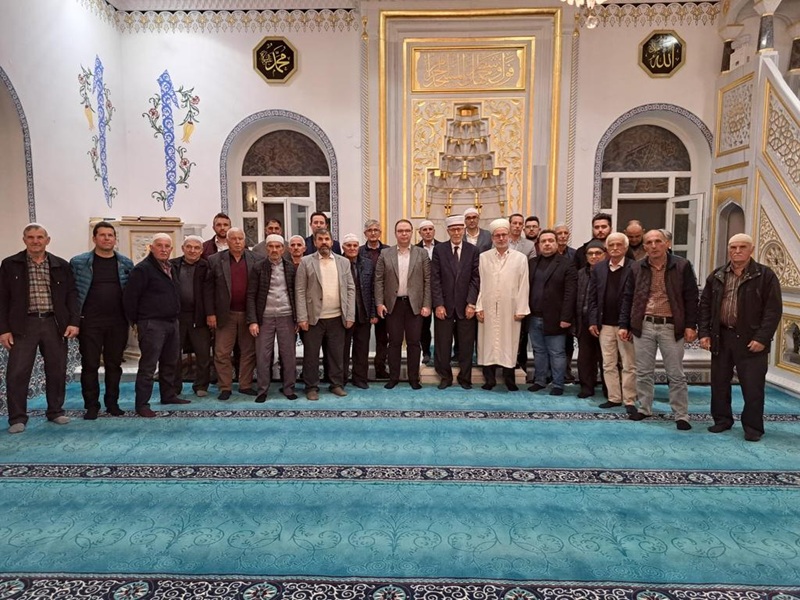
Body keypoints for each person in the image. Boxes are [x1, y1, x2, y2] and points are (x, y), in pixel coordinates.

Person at [698, 234, 782, 441]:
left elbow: (773, 311)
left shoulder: (765, 275)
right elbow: (705, 306)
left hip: (751, 339)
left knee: (752, 387)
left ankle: (753, 428)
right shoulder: (717, 275)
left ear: (751, 250)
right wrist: (705, 333)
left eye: (742, 247)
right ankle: (722, 420)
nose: (737, 251)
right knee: (719, 384)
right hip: (722, 337)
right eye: (733, 247)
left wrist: (762, 338)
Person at [0, 224, 80, 433]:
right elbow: (2, 298)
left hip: (54, 324)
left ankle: (55, 411)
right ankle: (17, 418)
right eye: (31, 237)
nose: (35, 241)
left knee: (57, 370)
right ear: (24, 240)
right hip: (23, 325)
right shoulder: (10, 264)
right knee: (17, 372)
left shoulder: (61, 265)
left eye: (39, 237)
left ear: (47, 240)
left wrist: (74, 322)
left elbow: (72, 295)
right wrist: (3, 329)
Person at [619, 229, 699, 430]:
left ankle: (681, 414)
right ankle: (644, 408)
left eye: (658, 241)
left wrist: (691, 325)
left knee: (676, 373)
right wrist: (624, 325)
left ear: (667, 244)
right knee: (644, 371)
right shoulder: (636, 267)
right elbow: (628, 297)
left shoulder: (682, 266)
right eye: (649, 242)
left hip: (671, 326)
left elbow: (691, 297)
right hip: (644, 325)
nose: (653, 246)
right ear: (644, 246)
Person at [70, 221, 133, 419]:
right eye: (102, 235)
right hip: (90, 322)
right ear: (94, 238)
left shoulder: (125, 263)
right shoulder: (79, 263)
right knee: (90, 365)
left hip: (118, 323)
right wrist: (74, 320)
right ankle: (91, 405)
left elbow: (131, 293)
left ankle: (112, 403)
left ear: (115, 239)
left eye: (110, 235)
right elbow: (72, 294)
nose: (107, 238)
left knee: (114, 365)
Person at [122, 233, 185, 417]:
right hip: (152, 323)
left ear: (171, 249)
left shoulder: (170, 267)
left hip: (172, 322)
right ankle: (142, 404)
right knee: (148, 366)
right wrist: (136, 322)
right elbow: (130, 298)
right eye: (159, 245)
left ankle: (168, 395)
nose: (163, 249)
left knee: (170, 362)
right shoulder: (143, 269)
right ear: (151, 247)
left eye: (167, 246)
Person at [295, 229, 355, 400]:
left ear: (331, 242)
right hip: (313, 318)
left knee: (336, 354)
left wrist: (350, 314)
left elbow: (350, 288)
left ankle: (336, 384)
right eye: (320, 239)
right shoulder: (306, 262)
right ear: (315, 242)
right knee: (311, 355)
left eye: (326, 239)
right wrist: (302, 317)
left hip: (337, 317)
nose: (324, 242)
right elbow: (300, 290)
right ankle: (311, 387)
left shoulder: (343, 262)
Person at [375, 219, 432, 390]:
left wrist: (427, 304)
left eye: (407, 230)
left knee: (414, 342)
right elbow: (379, 280)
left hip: (415, 305)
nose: (404, 234)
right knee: (394, 342)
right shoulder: (385, 254)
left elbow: (427, 280)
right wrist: (379, 303)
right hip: (393, 305)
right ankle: (393, 377)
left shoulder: (421, 254)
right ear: (395, 234)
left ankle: (414, 378)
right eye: (400, 231)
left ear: (412, 232)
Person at [205, 227, 260, 400]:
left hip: (249, 314)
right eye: (233, 239)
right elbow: (208, 289)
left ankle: (245, 385)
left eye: (240, 238)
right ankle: (225, 387)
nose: (237, 242)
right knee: (222, 352)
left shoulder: (257, 259)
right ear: (227, 241)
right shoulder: (214, 260)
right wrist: (210, 313)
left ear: (245, 240)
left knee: (248, 351)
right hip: (225, 314)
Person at [475, 219, 529, 391]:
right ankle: (489, 379)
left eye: (504, 235)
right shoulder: (483, 257)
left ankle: (509, 379)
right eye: (497, 235)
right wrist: (479, 306)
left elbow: (524, 285)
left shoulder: (520, 258)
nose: (501, 238)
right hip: (488, 306)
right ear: (492, 238)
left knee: (509, 342)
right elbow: (480, 284)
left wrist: (521, 308)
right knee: (488, 342)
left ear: (509, 236)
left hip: (510, 308)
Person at [587, 232, 637, 413]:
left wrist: (628, 324)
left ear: (625, 247)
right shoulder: (599, 268)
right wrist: (593, 321)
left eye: (619, 245)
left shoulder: (634, 267)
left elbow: (636, 299)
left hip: (626, 325)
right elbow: (592, 297)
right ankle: (614, 397)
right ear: (606, 248)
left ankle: (629, 400)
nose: (615, 248)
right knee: (608, 363)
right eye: (611, 245)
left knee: (629, 364)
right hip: (605, 324)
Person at [247, 234, 298, 402]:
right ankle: (262, 390)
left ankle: (289, 388)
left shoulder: (290, 268)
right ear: (266, 248)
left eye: (278, 247)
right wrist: (253, 321)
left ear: (283, 249)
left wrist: (297, 319)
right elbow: (251, 295)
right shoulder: (258, 267)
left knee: (288, 355)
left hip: (286, 316)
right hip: (265, 317)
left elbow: (296, 294)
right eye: (271, 246)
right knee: (263, 355)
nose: (274, 250)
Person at [431, 215, 480, 390]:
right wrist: (438, 304)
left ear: (464, 230)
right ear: (448, 231)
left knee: (466, 345)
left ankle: (465, 378)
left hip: (466, 306)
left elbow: (476, 279)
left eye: (459, 229)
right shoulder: (439, 250)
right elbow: (435, 279)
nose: (457, 232)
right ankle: (445, 377)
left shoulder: (473, 250)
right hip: (444, 307)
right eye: (453, 229)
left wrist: (471, 303)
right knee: (442, 345)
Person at [527, 229, 577, 396]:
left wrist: (566, 317)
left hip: (556, 317)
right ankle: (540, 380)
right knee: (539, 350)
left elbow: (570, 293)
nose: (547, 244)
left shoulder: (567, 264)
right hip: (534, 316)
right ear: (538, 245)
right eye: (543, 241)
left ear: (556, 243)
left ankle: (558, 384)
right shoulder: (532, 263)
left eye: (550, 241)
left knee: (557, 352)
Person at [169, 235, 211, 399]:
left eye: (196, 248)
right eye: (189, 247)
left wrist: (210, 314)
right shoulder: (172, 265)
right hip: (176, 316)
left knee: (203, 353)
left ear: (201, 250)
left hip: (199, 316)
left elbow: (210, 292)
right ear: (183, 248)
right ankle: (174, 386)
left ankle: (201, 385)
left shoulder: (206, 266)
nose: (192, 250)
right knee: (174, 353)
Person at [342, 233, 376, 389]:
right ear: (343, 247)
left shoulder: (368, 263)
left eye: (355, 245)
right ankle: (341, 379)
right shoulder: (337, 263)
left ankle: (360, 378)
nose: (352, 248)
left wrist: (373, 313)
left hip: (363, 312)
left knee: (361, 348)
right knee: (342, 349)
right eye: (348, 245)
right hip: (343, 314)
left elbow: (373, 289)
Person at [574, 239, 606, 398]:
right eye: (590, 254)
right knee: (585, 357)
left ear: (604, 255)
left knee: (606, 357)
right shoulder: (580, 274)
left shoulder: (609, 272)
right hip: (584, 320)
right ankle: (587, 387)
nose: (594, 256)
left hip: (604, 322)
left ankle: (609, 388)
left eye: (598, 253)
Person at [359, 219, 390, 379]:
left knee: (383, 338)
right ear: (365, 233)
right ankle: (361, 372)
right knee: (361, 339)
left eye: (375, 230)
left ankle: (380, 368)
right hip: (363, 301)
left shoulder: (388, 251)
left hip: (383, 301)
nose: (373, 233)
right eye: (369, 230)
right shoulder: (358, 251)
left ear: (380, 232)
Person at [416, 219, 439, 366]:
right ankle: (426, 352)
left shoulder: (443, 247)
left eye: (430, 229)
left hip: (439, 291)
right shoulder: (415, 249)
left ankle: (441, 353)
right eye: (424, 230)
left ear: (434, 231)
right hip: (422, 293)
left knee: (443, 325)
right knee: (424, 325)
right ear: (420, 233)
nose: (428, 232)